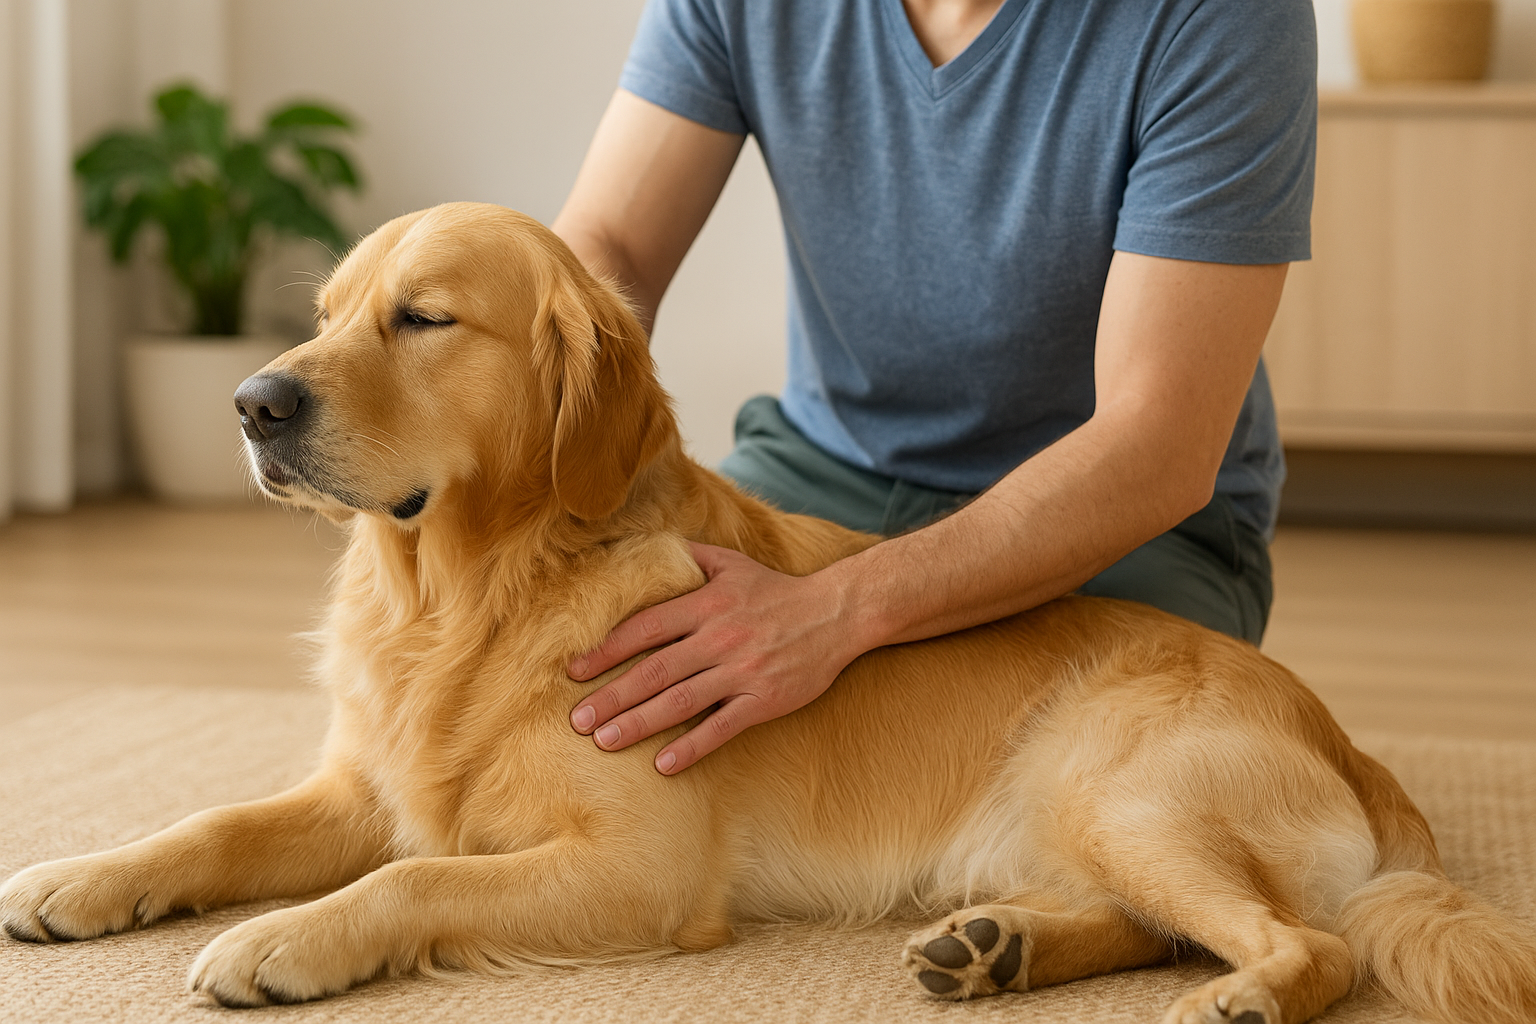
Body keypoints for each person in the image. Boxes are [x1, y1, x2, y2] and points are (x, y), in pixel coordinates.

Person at [552, 0, 1317, 775]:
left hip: (1120, 530)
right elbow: (613, 245)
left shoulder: (1226, 16)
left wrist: (835, 611)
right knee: (596, 697)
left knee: (1067, 780)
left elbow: (1156, 440)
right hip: (821, 472)